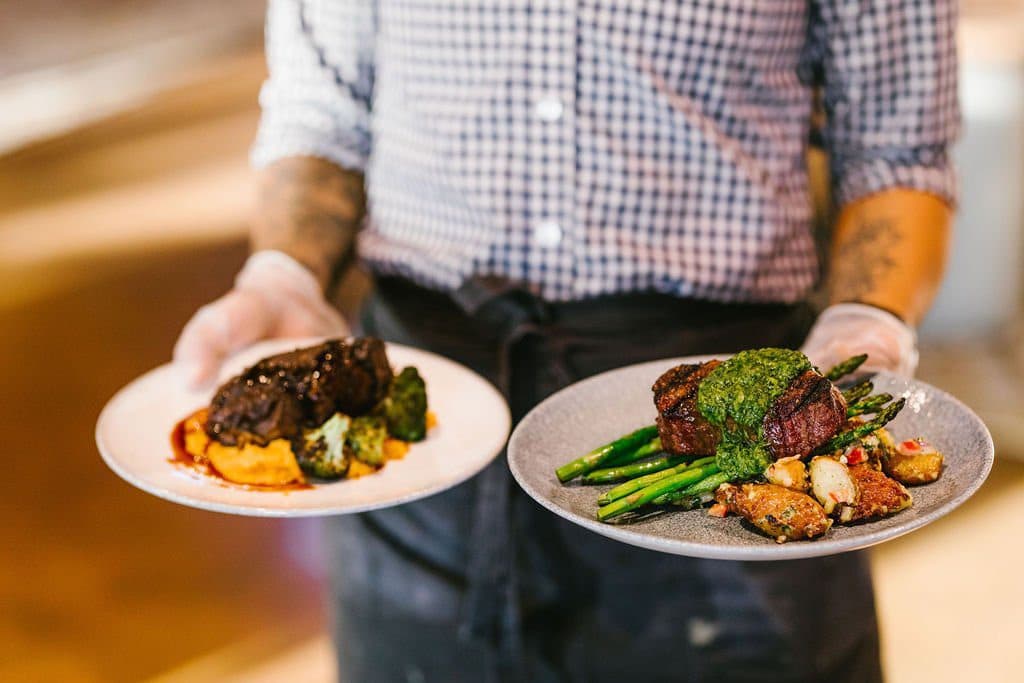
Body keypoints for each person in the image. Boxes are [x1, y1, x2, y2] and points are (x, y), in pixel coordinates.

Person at [174, 1, 958, 681]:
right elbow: (323, 108)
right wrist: (285, 273)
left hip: (732, 457)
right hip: (426, 442)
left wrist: (868, 319)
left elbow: (897, 149)